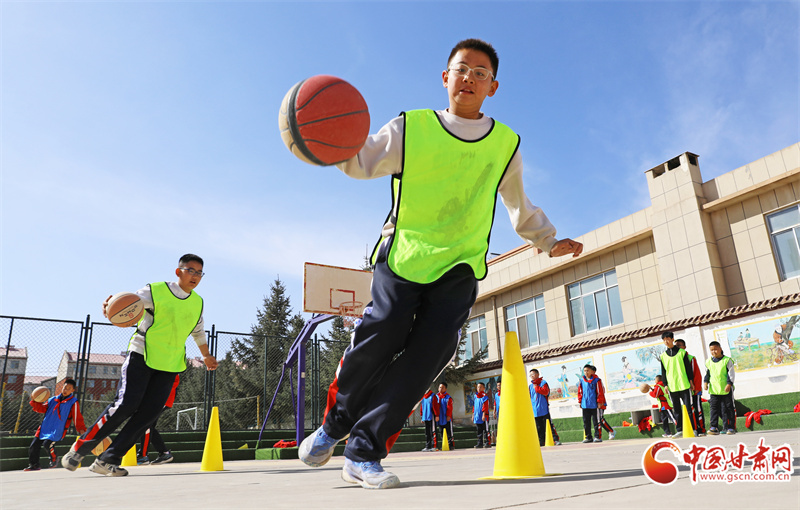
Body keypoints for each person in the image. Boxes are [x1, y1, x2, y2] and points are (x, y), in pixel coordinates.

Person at [297, 38, 582, 490]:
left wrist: (547, 240)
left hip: (460, 266)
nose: (469, 77)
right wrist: (324, 140)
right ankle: (335, 424)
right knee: (382, 333)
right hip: (404, 255)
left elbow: (518, 204)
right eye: (461, 69)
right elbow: (361, 160)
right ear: (446, 77)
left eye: (480, 73)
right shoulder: (411, 127)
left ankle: (363, 453)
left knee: (427, 357)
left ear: (493, 86)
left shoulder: (505, 144)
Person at [62, 254, 218, 477]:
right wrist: (109, 307)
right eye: (190, 270)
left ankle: (108, 460)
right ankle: (80, 448)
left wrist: (206, 355)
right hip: (142, 354)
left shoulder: (197, 302)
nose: (195, 276)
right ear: (178, 271)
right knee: (126, 405)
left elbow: (198, 331)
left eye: (199, 273)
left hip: (170, 363)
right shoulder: (155, 290)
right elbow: (127, 304)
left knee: (148, 415)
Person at [24, 379, 86, 471]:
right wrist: (35, 401)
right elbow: (42, 409)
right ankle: (34, 465)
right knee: (34, 446)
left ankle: (54, 458)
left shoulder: (73, 402)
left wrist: (81, 429)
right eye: (65, 387)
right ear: (62, 387)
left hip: (57, 429)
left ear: (73, 390)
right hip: (45, 427)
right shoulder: (52, 399)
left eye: (69, 388)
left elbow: (77, 416)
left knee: (47, 444)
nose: (65, 390)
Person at [137, 373, 180, 465]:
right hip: (159, 397)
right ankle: (164, 453)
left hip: (162, 397)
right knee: (149, 425)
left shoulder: (167, 368)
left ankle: (143, 455)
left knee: (146, 424)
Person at [659, 331, 696, 437]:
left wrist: (691, 381)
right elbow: (663, 372)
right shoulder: (663, 356)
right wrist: (665, 385)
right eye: (664, 340)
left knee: (688, 408)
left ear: (672, 339)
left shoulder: (682, 353)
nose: (666, 341)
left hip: (684, 384)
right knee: (676, 410)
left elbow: (688, 368)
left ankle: (693, 429)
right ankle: (679, 430)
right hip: (672, 386)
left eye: (668, 339)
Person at [703, 341, 737, 435]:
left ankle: (730, 427)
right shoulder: (708, 362)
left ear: (720, 349)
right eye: (711, 350)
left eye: (715, 349)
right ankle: (714, 427)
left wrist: (729, 384)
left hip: (726, 389)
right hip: (714, 390)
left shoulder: (727, 360)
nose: (714, 351)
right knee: (714, 408)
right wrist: (705, 383)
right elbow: (707, 374)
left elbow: (731, 374)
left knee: (729, 408)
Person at [675, 339, 707, 436]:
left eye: (679, 345)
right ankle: (692, 429)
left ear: (684, 347)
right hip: (684, 390)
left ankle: (701, 429)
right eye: (675, 346)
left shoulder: (690, 358)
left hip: (694, 389)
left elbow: (696, 374)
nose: (677, 347)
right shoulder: (675, 359)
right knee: (689, 410)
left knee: (697, 409)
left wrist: (696, 388)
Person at [528, 369, 561, 446]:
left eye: (533, 374)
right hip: (535, 411)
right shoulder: (530, 386)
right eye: (530, 375)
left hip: (544, 409)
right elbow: (529, 397)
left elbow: (546, 392)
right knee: (539, 427)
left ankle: (555, 439)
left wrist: (537, 388)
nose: (532, 376)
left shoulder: (543, 383)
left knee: (549, 425)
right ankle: (541, 441)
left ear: (537, 374)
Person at [577, 364, 605, 443]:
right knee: (586, 422)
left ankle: (597, 436)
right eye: (585, 371)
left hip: (594, 405)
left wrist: (599, 401)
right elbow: (580, 392)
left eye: (587, 371)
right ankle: (588, 437)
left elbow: (600, 392)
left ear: (591, 371)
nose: (586, 372)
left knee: (596, 421)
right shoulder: (581, 381)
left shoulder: (596, 380)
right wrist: (580, 401)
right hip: (585, 405)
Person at [432, 382, 455, 451]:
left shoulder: (448, 397)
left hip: (446, 417)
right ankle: (444, 445)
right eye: (440, 387)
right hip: (440, 417)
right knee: (441, 431)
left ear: (445, 389)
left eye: (442, 388)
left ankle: (451, 445)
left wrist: (448, 415)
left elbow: (449, 408)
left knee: (449, 431)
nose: (440, 389)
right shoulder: (436, 397)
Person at [472, 382, 490, 448]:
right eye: (478, 387)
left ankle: (488, 442)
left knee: (486, 430)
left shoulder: (485, 396)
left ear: (484, 388)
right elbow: (474, 406)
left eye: (480, 387)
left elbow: (485, 406)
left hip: (484, 417)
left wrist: (484, 415)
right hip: (477, 416)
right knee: (479, 431)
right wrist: (473, 415)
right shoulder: (475, 396)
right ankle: (480, 443)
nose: (479, 388)